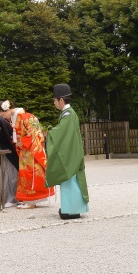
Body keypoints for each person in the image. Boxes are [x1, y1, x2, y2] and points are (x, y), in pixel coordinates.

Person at [0, 99, 54, 208]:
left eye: (3, 114)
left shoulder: (27, 117)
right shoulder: (14, 119)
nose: (3, 117)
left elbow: (35, 133)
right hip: (24, 151)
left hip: (30, 151)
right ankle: (27, 199)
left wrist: (22, 143)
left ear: (8, 109)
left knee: (30, 174)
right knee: (24, 174)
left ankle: (31, 201)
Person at [45, 83, 89, 220]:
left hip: (70, 153)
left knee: (69, 178)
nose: (54, 103)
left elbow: (61, 132)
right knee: (72, 179)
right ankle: (70, 208)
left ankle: (71, 210)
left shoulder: (68, 114)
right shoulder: (69, 114)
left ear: (61, 100)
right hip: (72, 150)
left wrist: (50, 132)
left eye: (55, 100)